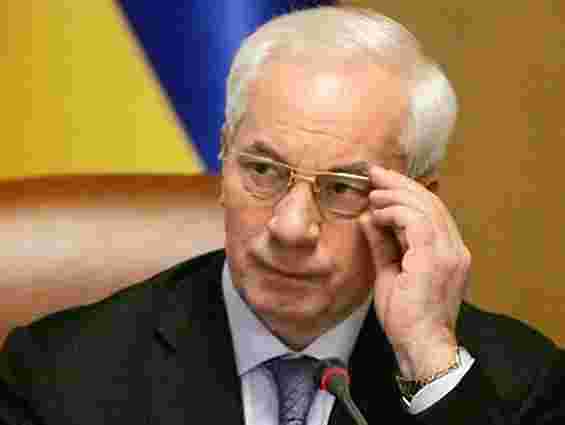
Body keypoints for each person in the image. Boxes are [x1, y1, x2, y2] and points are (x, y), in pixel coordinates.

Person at [1, 5, 563, 425]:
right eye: (264, 171)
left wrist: (428, 362)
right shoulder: (58, 377)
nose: (291, 228)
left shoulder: (519, 386)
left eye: (342, 188)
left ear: (414, 205)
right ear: (224, 160)